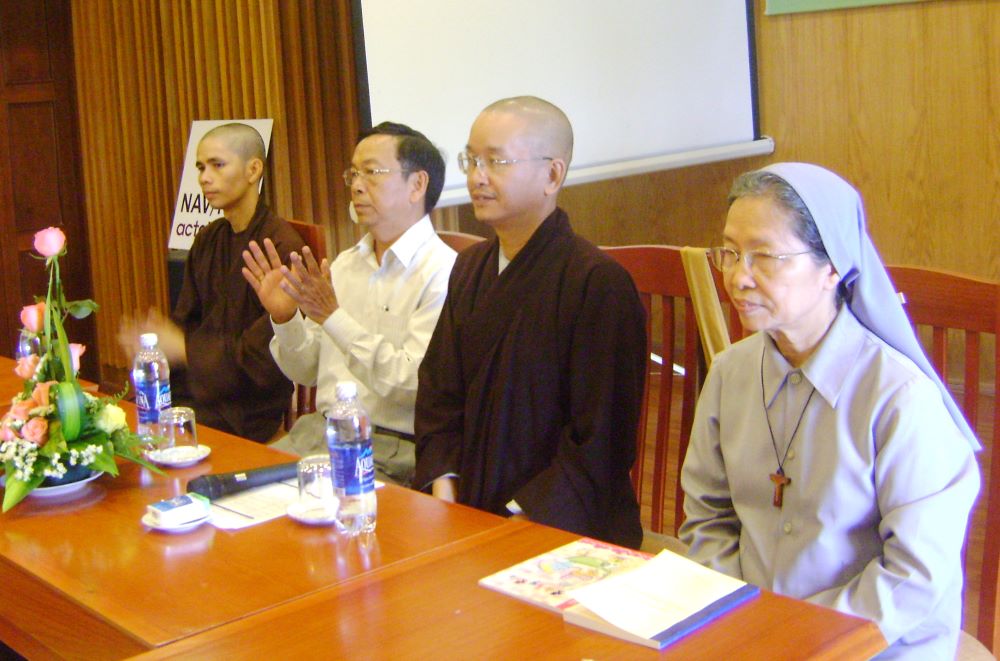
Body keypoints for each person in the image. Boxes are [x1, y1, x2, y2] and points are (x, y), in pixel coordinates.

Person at [679, 162, 980, 659]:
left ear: (833, 266)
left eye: (764, 256)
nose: (738, 277)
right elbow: (708, 514)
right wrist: (737, 618)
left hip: (870, 645)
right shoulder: (731, 372)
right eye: (730, 253)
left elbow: (913, 576)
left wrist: (792, 636)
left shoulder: (899, 396)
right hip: (746, 634)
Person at [413, 96, 646, 548]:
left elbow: (600, 442)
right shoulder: (470, 268)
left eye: (495, 161)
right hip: (468, 512)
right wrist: (444, 483)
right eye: (471, 159)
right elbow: (438, 391)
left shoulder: (598, 283)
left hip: (560, 530)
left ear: (553, 175)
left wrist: (518, 520)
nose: (476, 177)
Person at [242, 122, 455, 487]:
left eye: (372, 172)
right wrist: (285, 317)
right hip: (316, 436)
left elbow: (414, 385)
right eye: (353, 173)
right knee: (228, 504)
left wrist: (334, 318)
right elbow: (307, 371)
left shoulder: (443, 272)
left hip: (390, 451)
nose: (356, 185)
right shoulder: (346, 264)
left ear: (417, 185)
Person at [119, 122, 303, 442]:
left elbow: (265, 358)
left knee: (154, 438)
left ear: (253, 170)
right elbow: (185, 322)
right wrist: (161, 346)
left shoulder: (280, 246)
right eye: (201, 167)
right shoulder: (208, 238)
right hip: (197, 387)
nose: (204, 177)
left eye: (217, 165)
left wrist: (185, 350)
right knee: (125, 422)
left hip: (246, 405)